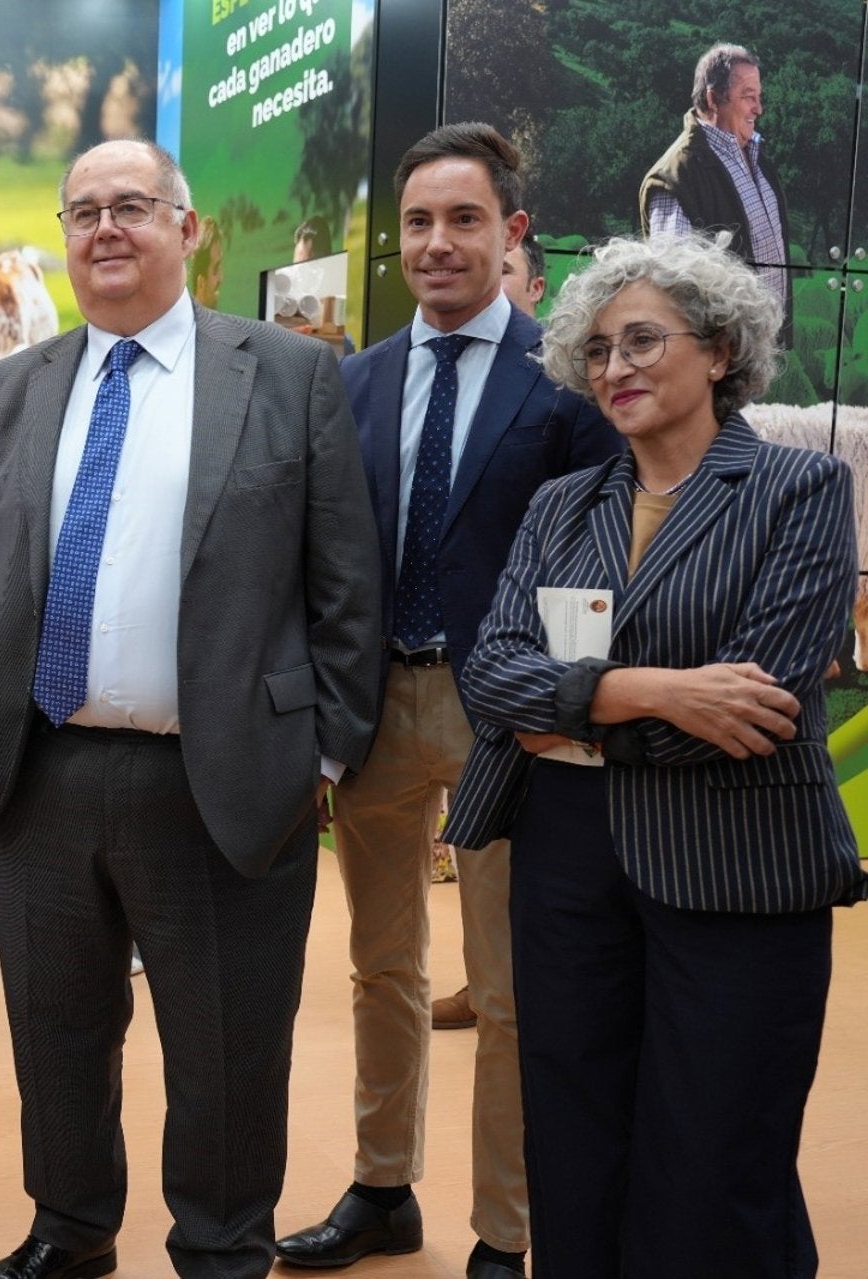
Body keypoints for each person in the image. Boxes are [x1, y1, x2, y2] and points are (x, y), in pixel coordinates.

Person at [0, 139, 381, 1279]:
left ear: (188, 230)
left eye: (132, 205)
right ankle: (70, 1226)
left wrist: (322, 757)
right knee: (55, 1027)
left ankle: (223, 1248)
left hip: (222, 777)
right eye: (82, 210)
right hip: (41, 771)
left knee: (228, 1043)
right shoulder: (15, 387)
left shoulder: (286, 373)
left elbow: (345, 586)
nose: (105, 228)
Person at [446, 232, 867, 1277]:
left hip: (734, 856)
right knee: (574, 1137)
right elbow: (489, 675)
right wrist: (656, 690)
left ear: (719, 351)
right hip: (567, 863)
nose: (615, 367)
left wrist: (567, 711)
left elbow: (760, 704)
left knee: (715, 1153)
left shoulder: (800, 490)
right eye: (597, 349)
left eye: (643, 340)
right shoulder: (563, 504)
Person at [278, 124, 617, 1279]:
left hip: (506, 724)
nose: (436, 242)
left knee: (510, 991)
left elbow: (593, 562)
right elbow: (326, 564)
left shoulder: (564, 386)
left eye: (463, 219)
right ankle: (383, 1188)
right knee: (381, 966)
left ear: (510, 232)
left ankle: (504, 1231)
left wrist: (569, 706)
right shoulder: (355, 381)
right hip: (374, 713)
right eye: (418, 221)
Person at [432, 231, 551, 1036]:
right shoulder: (386, 375)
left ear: (533, 285)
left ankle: (497, 989)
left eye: (505, 269)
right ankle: (481, 982)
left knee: (504, 868)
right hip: (403, 671)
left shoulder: (560, 381)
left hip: (509, 677)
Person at [639, 44, 789, 332]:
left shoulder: (757, 157)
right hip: (722, 349)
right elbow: (673, 288)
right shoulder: (679, 175)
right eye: (748, 97)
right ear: (713, 98)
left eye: (759, 97)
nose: (758, 108)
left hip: (762, 343)